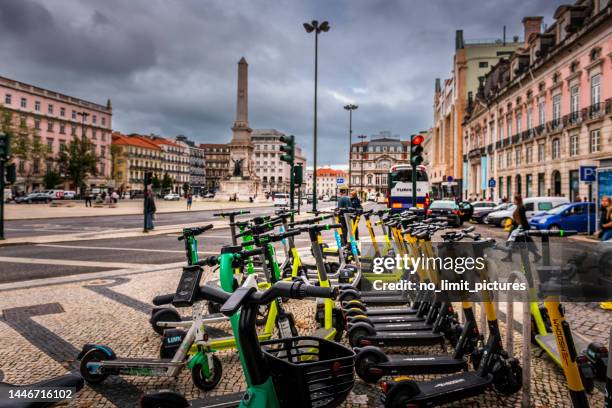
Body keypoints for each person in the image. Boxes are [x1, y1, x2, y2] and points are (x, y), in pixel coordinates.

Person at [501, 194, 541, 263]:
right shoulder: (518, 207)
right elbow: (517, 218)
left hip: (519, 229)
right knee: (512, 242)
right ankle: (509, 257)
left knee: (523, 242)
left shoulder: (521, 208)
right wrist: (512, 223)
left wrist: (524, 228)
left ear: (518, 200)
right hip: (517, 228)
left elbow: (523, 219)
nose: (514, 201)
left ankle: (536, 255)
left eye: (515, 200)